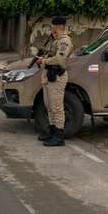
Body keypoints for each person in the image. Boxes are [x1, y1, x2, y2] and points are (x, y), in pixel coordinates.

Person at [36, 16, 74, 147]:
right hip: (49, 76)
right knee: (49, 106)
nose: (51, 29)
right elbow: (51, 55)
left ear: (58, 27)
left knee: (57, 107)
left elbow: (59, 60)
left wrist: (44, 61)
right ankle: (51, 132)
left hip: (57, 77)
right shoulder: (54, 41)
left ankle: (59, 136)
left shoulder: (65, 42)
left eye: (53, 26)